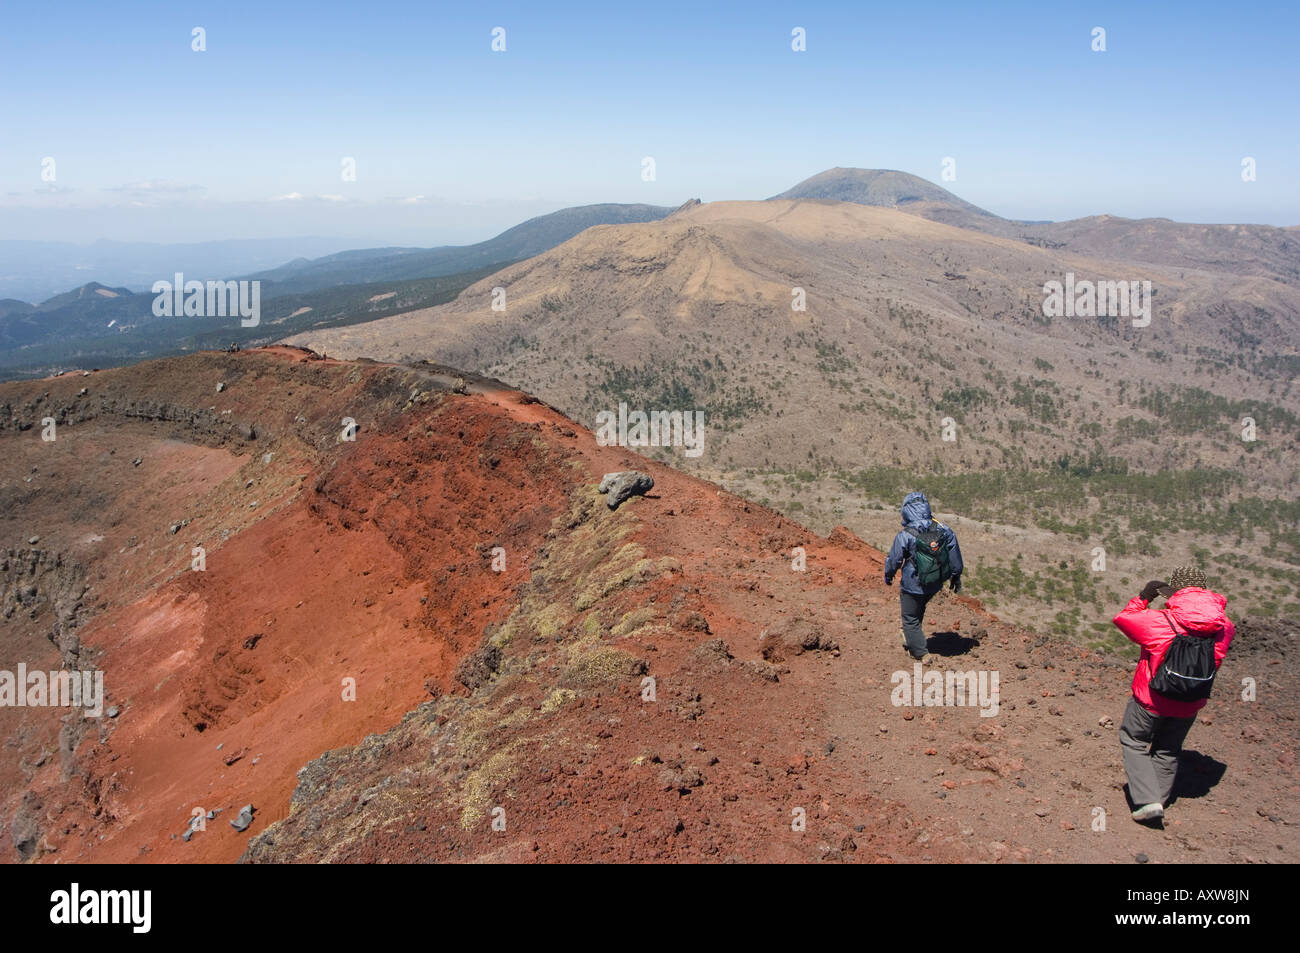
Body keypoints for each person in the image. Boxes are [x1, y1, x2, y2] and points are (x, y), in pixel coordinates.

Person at [1112, 566, 1234, 824]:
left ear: (1173, 593)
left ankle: (1148, 801)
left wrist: (1144, 597)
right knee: (1168, 749)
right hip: (1190, 703)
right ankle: (1159, 800)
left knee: (1134, 740)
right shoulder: (1224, 627)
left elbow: (1123, 618)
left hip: (1151, 699)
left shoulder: (1160, 621)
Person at [883, 491, 964, 660]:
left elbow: (894, 559)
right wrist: (956, 576)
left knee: (910, 617)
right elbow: (954, 556)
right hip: (935, 582)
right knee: (919, 607)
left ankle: (921, 653)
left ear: (906, 511)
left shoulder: (905, 535)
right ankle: (912, 637)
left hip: (912, 583)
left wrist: (888, 575)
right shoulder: (944, 530)